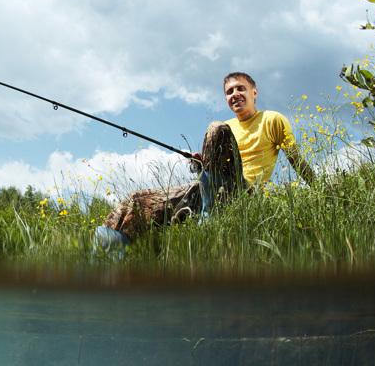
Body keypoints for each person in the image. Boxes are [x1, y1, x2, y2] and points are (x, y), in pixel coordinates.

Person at [93, 71, 315, 251]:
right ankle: (104, 262)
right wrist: (199, 163)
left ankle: (208, 220)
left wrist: (317, 185)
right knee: (136, 201)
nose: (235, 94)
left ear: (254, 92)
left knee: (215, 128)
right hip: (207, 189)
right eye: (229, 92)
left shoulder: (272, 119)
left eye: (241, 88)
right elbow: (206, 171)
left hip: (243, 190)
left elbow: (295, 158)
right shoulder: (228, 126)